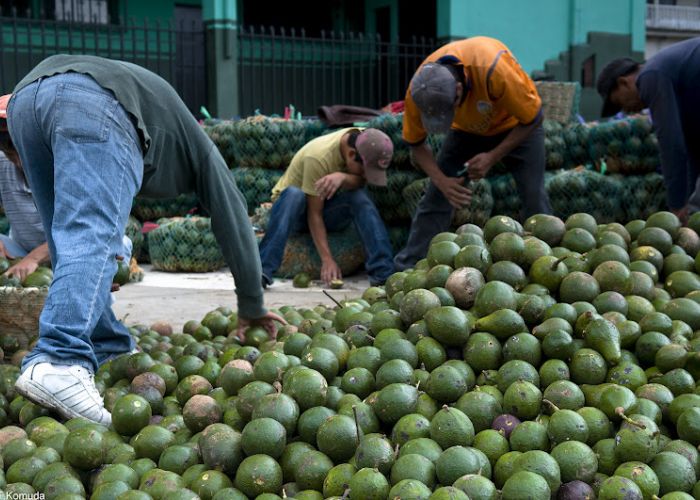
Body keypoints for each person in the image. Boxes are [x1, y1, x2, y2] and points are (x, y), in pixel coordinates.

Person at [0, 54, 284, 426]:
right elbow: (233, 218)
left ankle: (105, 346)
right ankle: (61, 358)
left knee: (66, 238)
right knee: (93, 233)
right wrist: (251, 302)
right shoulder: (204, 152)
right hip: (95, 100)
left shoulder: (168, 131)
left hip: (27, 101)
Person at [394, 36, 551, 270]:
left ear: (458, 88)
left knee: (532, 194)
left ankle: (547, 263)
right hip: (467, 131)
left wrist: (492, 156)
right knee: (436, 196)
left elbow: (533, 118)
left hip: (516, 126)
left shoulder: (493, 70)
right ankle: (409, 268)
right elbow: (415, 143)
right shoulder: (420, 89)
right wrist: (442, 181)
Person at [259, 127, 395, 287]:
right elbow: (314, 213)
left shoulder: (367, 140)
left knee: (359, 198)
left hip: (329, 208)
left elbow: (362, 181)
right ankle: (262, 271)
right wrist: (327, 259)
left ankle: (383, 274)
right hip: (297, 213)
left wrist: (343, 177)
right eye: (364, 171)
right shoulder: (318, 158)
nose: (366, 176)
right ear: (351, 155)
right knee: (294, 194)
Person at [597, 38, 700, 222]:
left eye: (618, 102)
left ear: (623, 83)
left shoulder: (651, 76)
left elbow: (670, 142)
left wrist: (677, 205)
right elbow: (691, 147)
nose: (624, 110)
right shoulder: (677, 81)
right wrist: (684, 197)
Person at [0, 151, 50, 281]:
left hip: (65, 257)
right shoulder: (3, 161)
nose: (19, 161)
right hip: (20, 250)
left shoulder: (63, 168)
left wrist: (33, 259)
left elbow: (76, 233)